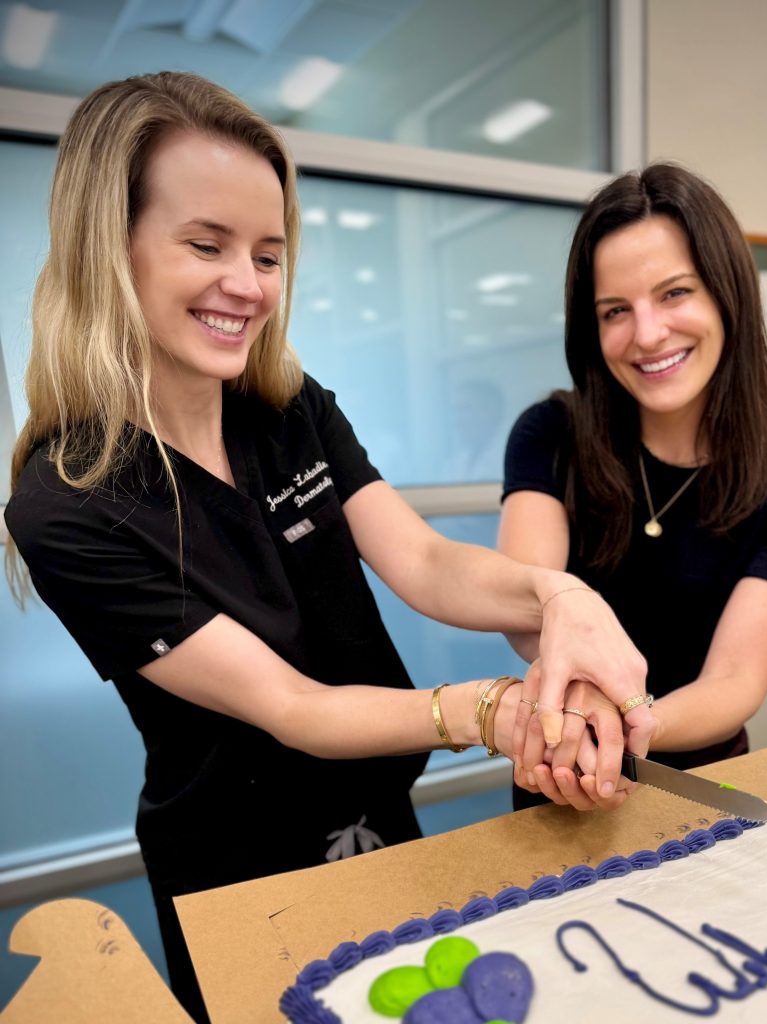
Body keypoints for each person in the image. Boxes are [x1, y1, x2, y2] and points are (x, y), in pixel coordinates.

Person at [2, 72, 654, 1022]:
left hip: (381, 818)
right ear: (111, 249)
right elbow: (294, 707)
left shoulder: (288, 410)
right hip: (237, 871)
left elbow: (425, 563)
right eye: (205, 245)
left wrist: (562, 599)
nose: (247, 285)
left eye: (268, 254)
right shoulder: (67, 504)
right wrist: (492, 710)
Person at [499, 162, 767, 811]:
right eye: (615, 310)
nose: (648, 333)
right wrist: (580, 714)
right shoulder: (550, 433)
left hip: (695, 786)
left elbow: (735, 679)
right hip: (562, 767)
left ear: (727, 293)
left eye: (674, 293)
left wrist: (622, 726)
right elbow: (525, 601)